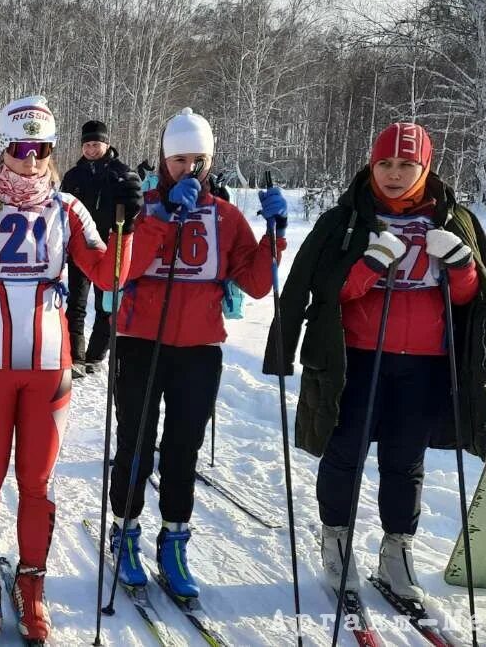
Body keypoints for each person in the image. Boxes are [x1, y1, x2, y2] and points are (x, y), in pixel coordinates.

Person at [0, 96, 151, 641]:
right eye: (19, 148)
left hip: (49, 365)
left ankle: (32, 582)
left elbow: (111, 276)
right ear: (3, 148)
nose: (30, 159)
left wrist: (126, 225)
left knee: (38, 481)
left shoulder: (68, 208)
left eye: (41, 148)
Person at [264, 122, 486, 605]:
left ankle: (396, 551)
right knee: (346, 454)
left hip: (424, 365)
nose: (395, 174)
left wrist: (463, 267)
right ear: (371, 164)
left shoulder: (455, 220)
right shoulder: (346, 221)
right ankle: (336, 541)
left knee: (406, 462)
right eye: (385, 164)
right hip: (357, 359)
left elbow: (473, 301)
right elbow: (326, 293)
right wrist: (369, 265)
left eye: (407, 165)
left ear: (426, 168)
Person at [106, 107, 289, 600]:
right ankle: (124, 532)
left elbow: (253, 284)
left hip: (200, 348)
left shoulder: (225, 216)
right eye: (178, 160)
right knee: (136, 443)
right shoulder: (139, 207)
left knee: (184, 448)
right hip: (142, 342)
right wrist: (162, 220)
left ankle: (174, 538)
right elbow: (119, 269)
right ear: (164, 161)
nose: (188, 169)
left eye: (197, 160)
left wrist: (274, 237)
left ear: (210, 161)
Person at [60, 120, 131, 376]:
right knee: (76, 303)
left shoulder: (120, 174)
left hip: (110, 246)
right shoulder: (73, 176)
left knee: (106, 305)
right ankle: (75, 356)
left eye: (96, 144)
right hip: (81, 247)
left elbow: (134, 206)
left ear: (106, 144)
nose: (91, 149)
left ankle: (95, 354)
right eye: (87, 145)